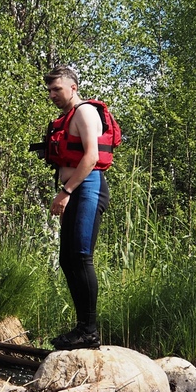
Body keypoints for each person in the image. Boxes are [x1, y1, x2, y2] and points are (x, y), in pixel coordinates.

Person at [40, 66, 117, 350]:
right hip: (76, 190)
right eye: (49, 90)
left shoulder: (84, 111)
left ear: (73, 87)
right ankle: (82, 328)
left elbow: (92, 156)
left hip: (87, 188)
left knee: (81, 257)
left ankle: (89, 330)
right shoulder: (66, 116)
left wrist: (65, 191)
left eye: (57, 89)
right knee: (67, 259)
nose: (52, 95)